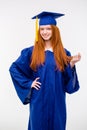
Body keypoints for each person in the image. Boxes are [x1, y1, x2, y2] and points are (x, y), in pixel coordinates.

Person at [9, 11, 81, 130]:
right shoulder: (31, 52)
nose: (45, 32)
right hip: (38, 100)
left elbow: (69, 86)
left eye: (48, 29)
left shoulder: (63, 53)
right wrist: (29, 83)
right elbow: (14, 68)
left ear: (55, 30)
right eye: (42, 29)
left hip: (57, 101)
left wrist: (71, 64)